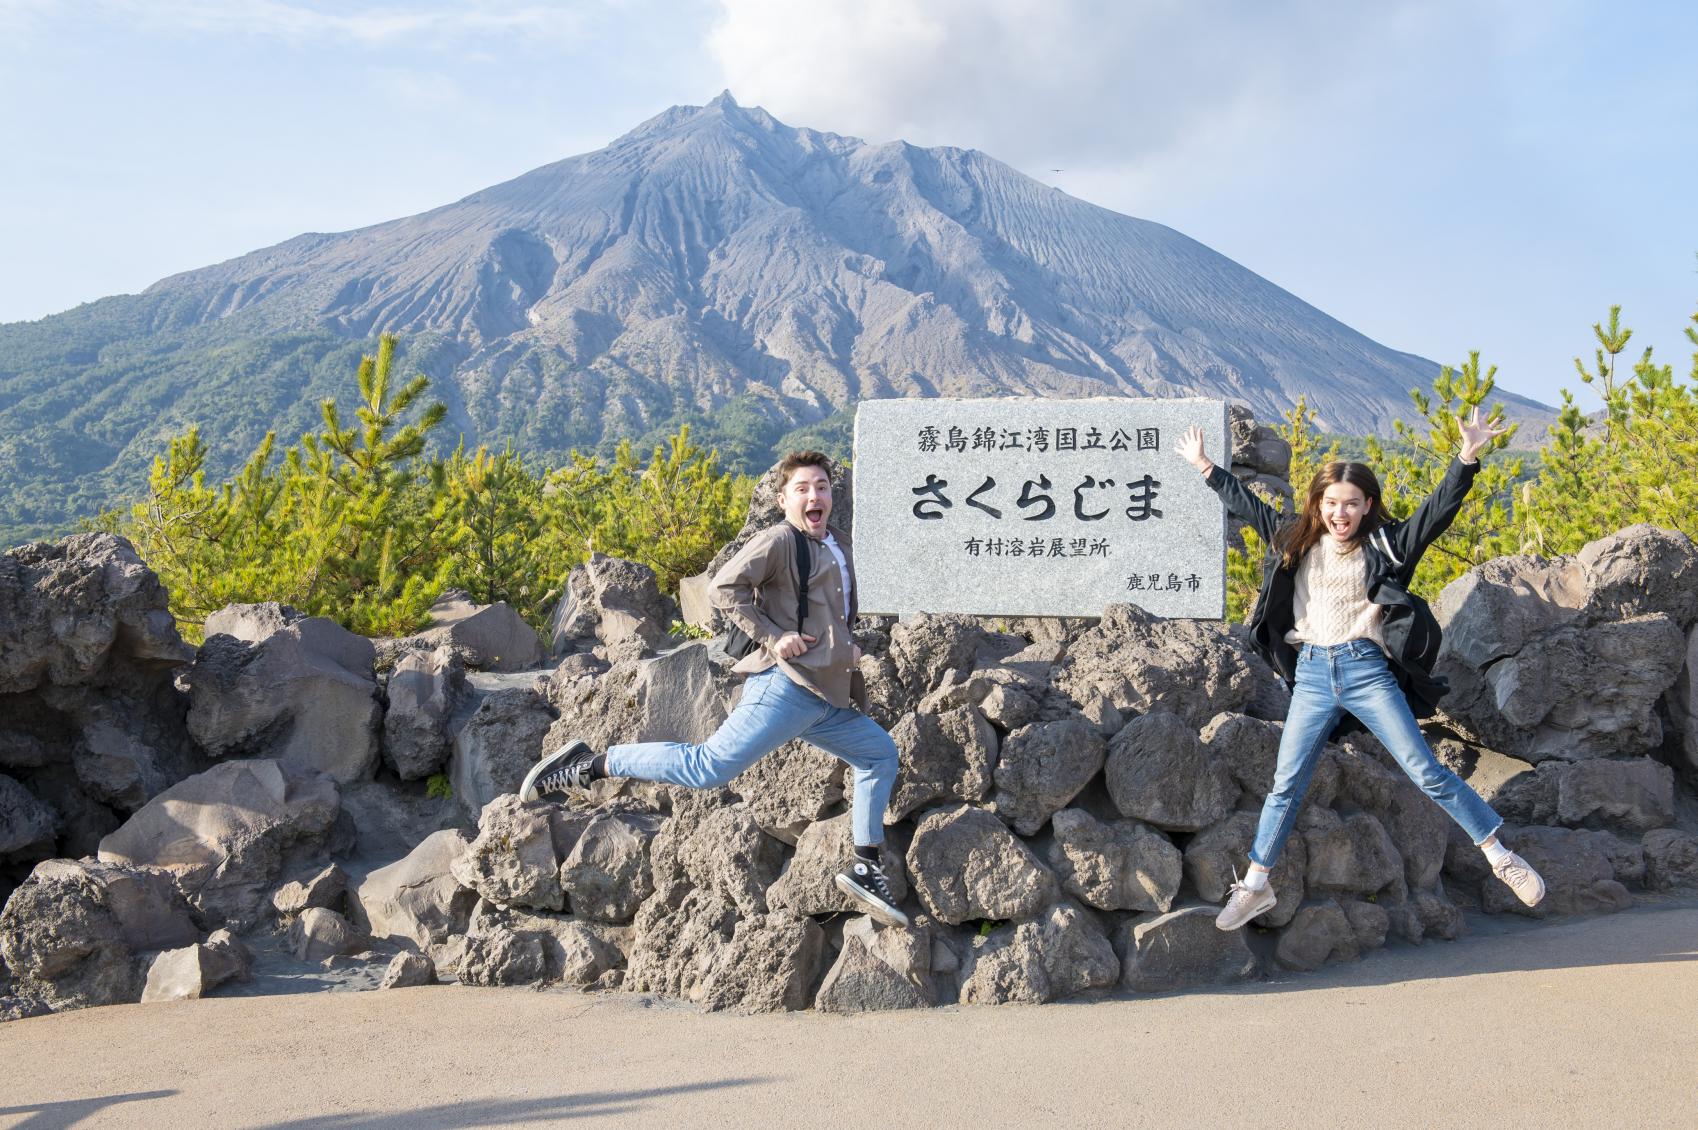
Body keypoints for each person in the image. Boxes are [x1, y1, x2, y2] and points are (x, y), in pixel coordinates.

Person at [1174, 409, 1546, 930]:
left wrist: (1467, 458)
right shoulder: (1295, 542)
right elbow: (1249, 506)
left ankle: (1500, 855)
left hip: (1366, 670)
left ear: (1367, 505)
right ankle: (1255, 886)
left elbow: (1434, 515)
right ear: (1318, 504)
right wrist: (1206, 467)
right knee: (1286, 783)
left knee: (1423, 769)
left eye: (1351, 504)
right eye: (1331, 503)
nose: (1340, 514)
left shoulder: (1386, 547)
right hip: (1312, 676)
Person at [519, 450, 908, 927]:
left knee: (878, 754)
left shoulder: (838, 544)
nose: (814, 495)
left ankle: (866, 865)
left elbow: (833, 612)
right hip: (786, 688)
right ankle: (590, 763)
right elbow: (724, 587)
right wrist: (773, 636)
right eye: (803, 488)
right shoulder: (779, 541)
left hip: (828, 699)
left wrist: (849, 649)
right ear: (784, 498)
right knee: (707, 767)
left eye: (822, 487)